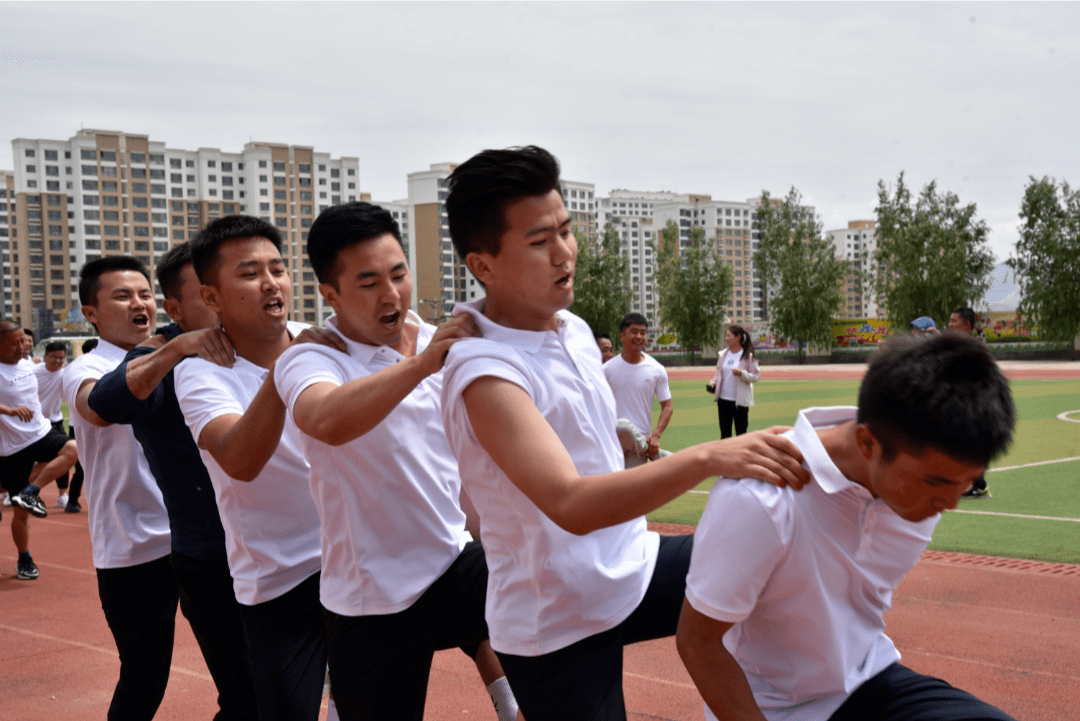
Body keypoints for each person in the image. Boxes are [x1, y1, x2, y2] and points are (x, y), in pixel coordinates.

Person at [440, 145, 809, 721]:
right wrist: (710, 456)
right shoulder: (484, 370)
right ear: (482, 264)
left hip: (628, 567)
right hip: (557, 618)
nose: (564, 252)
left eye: (565, 231)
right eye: (540, 242)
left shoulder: (576, 329)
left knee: (784, 551)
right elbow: (569, 503)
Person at [677, 332, 1017, 721]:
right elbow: (697, 642)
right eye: (936, 483)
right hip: (774, 708)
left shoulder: (917, 493)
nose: (949, 504)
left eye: (968, 483)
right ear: (868, 444)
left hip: (867, 678)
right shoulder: (761, 499)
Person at [274, 201, 521, 721]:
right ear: (330, 294)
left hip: (452, 563)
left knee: (561, 580)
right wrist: (422, 366)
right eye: (368, 283)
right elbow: (323, 418)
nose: (391, 294)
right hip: (373, 598)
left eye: (398, 274)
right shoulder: (311, 357)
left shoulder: (438, 342)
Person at [173, 215, 341, 721]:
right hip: (278, 581)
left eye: (279, 268)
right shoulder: (202, 375)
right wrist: (291, 366)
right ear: (212, 297)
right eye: (250, 273)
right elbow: (240, 460)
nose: (272, 283)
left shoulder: (331, 346)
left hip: (356, 562)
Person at [86, 242, 259, 721]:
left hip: (287, 550)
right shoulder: (161, 358)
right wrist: (179, 344)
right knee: (244, 694)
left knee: (292, 684)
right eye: (209, 294)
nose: (226, 302)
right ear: (176, 308)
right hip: (210, 559)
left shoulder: (265, 345)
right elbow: (105, 403)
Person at [61, 257, 177, 720]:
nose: (139, 304)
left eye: (145, 294)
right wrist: (168, 352)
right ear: (91, 312)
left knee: (246, 671)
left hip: (196, 538)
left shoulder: (178, 359)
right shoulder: (87, 366)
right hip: (133, 548)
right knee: (145, 679)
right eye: (122, 296)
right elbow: (98, 408)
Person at [0, 322, 79, 579]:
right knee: (20, 514)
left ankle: (31, 491)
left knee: (73, 449)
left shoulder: (28, 364)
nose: (23, 345)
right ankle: (24, 558)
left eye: (24, 340)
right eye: (15, 342)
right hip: (13, 447)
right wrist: (9, 411)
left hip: (40, 432)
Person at [603, 313, 673, 467]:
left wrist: (656, 436)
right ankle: (656, 454)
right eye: (634, 332)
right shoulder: (607, 369)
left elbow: (668, 406)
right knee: (622, 425)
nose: (639, 336)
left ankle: (647, 447)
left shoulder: (657, 369)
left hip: (638, 448)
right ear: (622, 336)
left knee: (635, 490)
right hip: (611, 441)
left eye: (643, 332)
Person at [33, 341, 72, 508]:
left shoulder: (66, 373)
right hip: (34, 424)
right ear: (45, 357)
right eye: (54, 357)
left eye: (61, 358)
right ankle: (21, 491)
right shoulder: (33, 372)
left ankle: (62, 495)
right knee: (32, 461)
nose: (58, 361)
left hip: (55, 422)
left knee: (64, 456)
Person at [62, 338, 97, 514]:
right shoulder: (80, 369)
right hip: (81, 426)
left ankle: (74, 500)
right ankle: (72, 500)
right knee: (83, 465)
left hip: (85, 425)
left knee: (88, 465)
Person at [708, 325, 760, 438]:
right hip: (723, 401)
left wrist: (742, 373)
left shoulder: (748, 356)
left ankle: (741, 456)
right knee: (725, 435)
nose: (726, 338)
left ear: (738, 337)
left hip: (740, 403)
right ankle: (725, 456)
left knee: (741, 435)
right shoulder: (723, 355)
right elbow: (719, 373)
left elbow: (756, 376)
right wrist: (714, 382)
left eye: (728, 335)